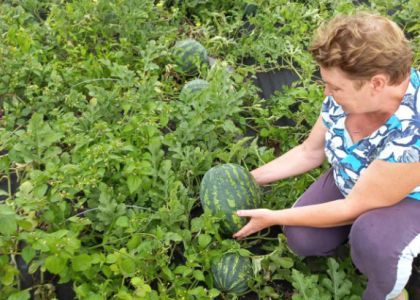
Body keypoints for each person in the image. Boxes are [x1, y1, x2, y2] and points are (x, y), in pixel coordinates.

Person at [233, 12, 420, 300]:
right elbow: (310, 152)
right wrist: (245, 180)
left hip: (408, 198)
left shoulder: (412, 131)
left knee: (373, 239)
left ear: (377, 83)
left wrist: (272, 216)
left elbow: (355, 206)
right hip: (357, 182)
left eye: (335, 87)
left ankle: (392, 291)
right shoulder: (343, 96)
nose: (327, 94)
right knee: (301, 236)